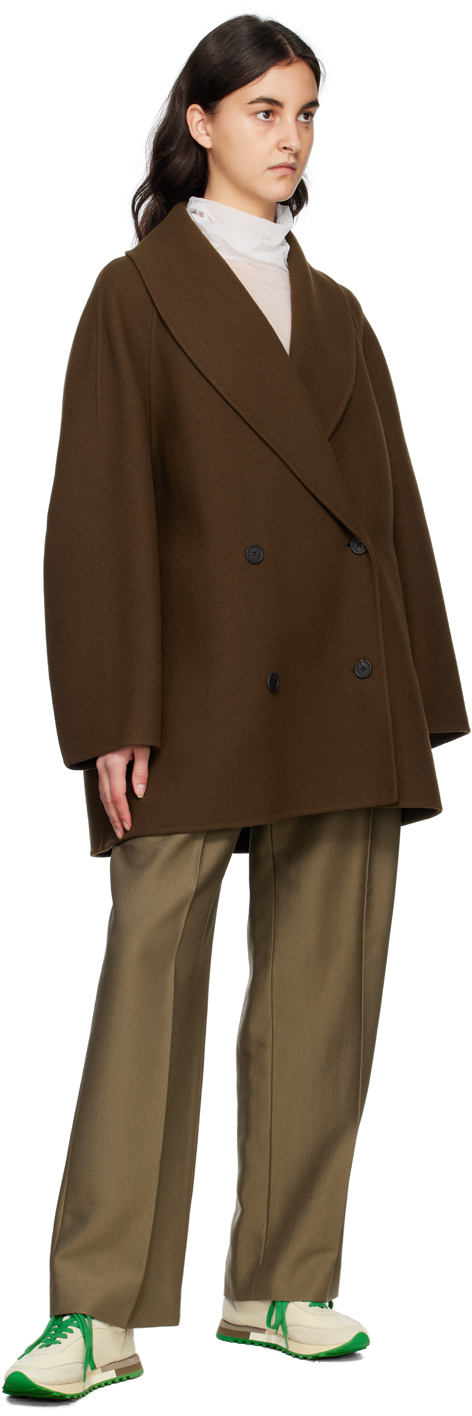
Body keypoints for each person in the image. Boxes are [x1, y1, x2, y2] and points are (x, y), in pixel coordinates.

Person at [3, 12, 469, 1401]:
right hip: (192, 691)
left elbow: (388, 510)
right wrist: (111, 712)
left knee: (325, 1002)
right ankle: (95, 1311)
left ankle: (281, 1285)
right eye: (264, 109)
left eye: (308, 112)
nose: (292, 137)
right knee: (147, 987)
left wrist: (421, 698)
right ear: (199, 123)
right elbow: (97, 512)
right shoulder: (133, 295)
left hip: (341, 686)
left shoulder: (341, 311)